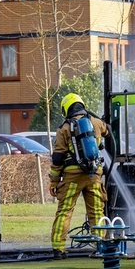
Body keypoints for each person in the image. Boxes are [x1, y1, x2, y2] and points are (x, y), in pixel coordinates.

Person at [48, 93, 111, 259]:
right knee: (97, 211)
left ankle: (58, 249)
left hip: (72, 177)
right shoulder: (96, 123)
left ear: (66, 108)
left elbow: (58, 157)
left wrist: (54, 181)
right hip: (94, 175)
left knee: (65, 212)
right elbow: (107, 130)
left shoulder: (64, 128)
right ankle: (101, 247)